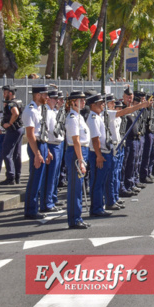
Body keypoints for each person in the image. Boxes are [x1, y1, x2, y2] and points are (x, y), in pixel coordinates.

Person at [23, 85, 53, 220]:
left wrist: (46, 150)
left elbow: (43, 131)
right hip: (36, 146)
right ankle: (30, 210)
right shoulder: (30, 111)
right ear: (37, 95)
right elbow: (30, 135)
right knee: (35, 179)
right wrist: (37, 154)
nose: (47, 97)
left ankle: (33, 208)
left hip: (42, 144)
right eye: (45, 95)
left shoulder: (39, 109)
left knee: (39, 178)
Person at [64, 91, 91, 229]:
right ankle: (74, 219)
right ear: (73, 102)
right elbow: (76, 141)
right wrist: (80, 160)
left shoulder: (78, 116)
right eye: (80, 100)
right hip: (76, 153)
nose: (83, 102)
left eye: (84, 100)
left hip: (81, 151)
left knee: (79, 186)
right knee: (75, 188)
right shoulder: (72, 118)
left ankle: (77, 216)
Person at [0, 85, 24, 185]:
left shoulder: (11, 104)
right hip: (19, 129)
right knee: (17, 154)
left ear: (10, 93)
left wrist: (9, 123)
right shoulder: (18, 101)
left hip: (13, 130)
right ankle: (17, 176)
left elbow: (16, 113)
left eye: (5, 93)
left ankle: (10, 177)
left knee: (6, 153)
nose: (4, 95)